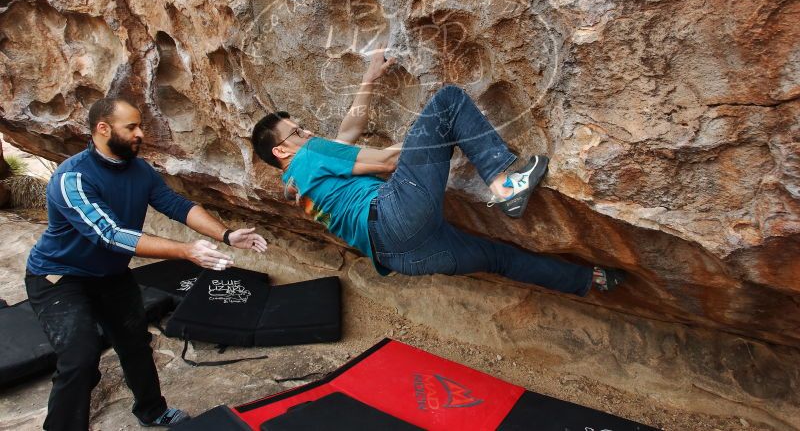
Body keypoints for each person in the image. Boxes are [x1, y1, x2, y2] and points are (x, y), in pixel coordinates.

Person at [251, 49, 624, 297]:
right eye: (297, 132)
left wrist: (369, 81)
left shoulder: (298, 183)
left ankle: (589, 279)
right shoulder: (309, 156)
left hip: (403, 257)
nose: (309, 133)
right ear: (281, 150)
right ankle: (504, 183)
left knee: (499, 259)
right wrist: (421, 143)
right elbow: (385, 163)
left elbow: (348, 133)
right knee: (447, 102)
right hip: (394, 217)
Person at [25, 97, 268, 430]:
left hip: (110, 275)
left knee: (135, 342)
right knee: (79, 359)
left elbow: (176, 205)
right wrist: (186, 251)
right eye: (132, 127)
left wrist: (227, 235)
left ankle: (152, 411)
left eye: (141, 125)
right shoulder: (72, 179)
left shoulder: (140, 170)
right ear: (102, 129)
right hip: (60, 277)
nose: (141, 133)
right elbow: (109, 235)